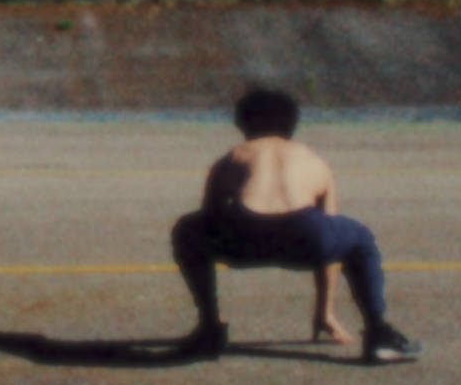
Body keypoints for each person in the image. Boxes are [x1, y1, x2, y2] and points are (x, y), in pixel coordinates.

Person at [170, 84, 417, 363]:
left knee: (188, 229)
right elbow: (327, 239)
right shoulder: (313, 159)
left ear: (242, 123)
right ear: (292, 123)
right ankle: (378, 334)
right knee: (360, 238)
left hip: (244, 236)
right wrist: (325, 311)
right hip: (305, 235)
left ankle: (209, 328)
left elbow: (209, 218)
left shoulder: (235, 156)